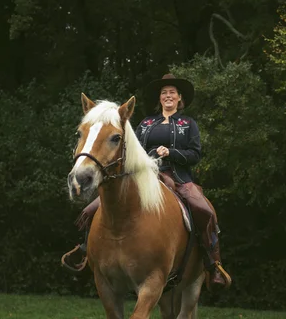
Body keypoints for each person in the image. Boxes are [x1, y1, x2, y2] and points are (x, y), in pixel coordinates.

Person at [70, 74, 232, 291]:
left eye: (172, 92)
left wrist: (171, 152)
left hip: (179, 178)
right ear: (160, 97)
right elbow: (132, 150)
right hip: (146, 176)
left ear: (179, 98)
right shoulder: (146, 123)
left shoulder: (188, 124)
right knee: (92, 210)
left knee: (204, 210)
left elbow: (195, 154)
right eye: (164, 92)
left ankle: (213, 265)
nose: (168, 96)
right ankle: (83, 249)